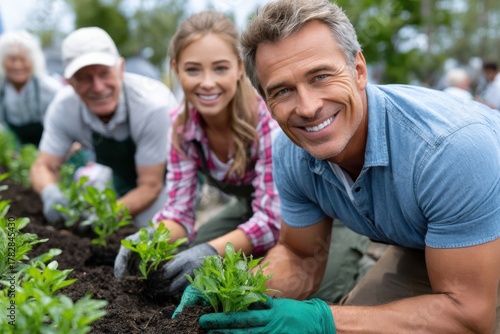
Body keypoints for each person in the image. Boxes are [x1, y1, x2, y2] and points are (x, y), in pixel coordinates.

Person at [174, 0, 500, 333]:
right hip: (433, 243)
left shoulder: (448, 149)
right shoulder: (291, 152)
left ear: (359, 70)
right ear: (266, 102)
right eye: (283, 90)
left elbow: (470, 316)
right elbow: (301, 257)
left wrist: (322, 320)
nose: (308, 107)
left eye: (320, 76)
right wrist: (233, 291)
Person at [30, 27, 178, 228]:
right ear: (69, 82)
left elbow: (150, 186)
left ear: (121, 68)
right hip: (122, 176)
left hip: (171, 178)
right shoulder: (64, 107)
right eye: (84, 77)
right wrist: (50, 192)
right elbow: (43, 166)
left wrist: (103, 218)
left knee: (151, 234)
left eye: (104, 73)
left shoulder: (152, 105)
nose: (98, 87)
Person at [0, 30, 63, 146]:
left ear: (34, 61)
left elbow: (61, 129)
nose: (17, 66)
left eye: (23, 59)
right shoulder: (2, 90)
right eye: (12, 59)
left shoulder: (50, 90)